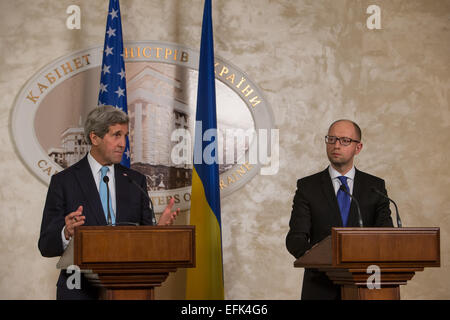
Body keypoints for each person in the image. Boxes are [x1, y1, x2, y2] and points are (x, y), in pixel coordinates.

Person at [38, 105, 180, 300]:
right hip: (79, 289)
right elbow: (45, 245)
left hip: (129, 289)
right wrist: (66, 231)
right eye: (116, 135)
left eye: (125, 136)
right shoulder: (64, 181)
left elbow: (146, 242)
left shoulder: (135, 181)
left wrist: (159, 230)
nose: (123, 143)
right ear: (94, 138)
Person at [285, 119, 393, 300]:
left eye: (344, 140)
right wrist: (319, 258)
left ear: (358, 148)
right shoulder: (307, 187)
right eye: (331, 139)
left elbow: (386, 234)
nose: (336, 145)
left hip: (365, 285)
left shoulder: (375, 187)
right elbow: (295, 238)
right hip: (320, 286)